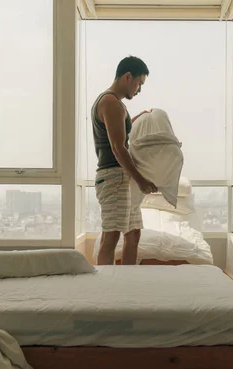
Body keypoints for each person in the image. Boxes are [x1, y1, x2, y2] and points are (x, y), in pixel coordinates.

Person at [92, 56, 157, 265]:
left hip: (119, 177)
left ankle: (127, 282)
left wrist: (139, 117)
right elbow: (118, 148)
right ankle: (106, 290)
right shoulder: (110, 102)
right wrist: (140, 180)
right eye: (139, 83)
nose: (139, 90)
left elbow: (120, 130)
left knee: (133, 234)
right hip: (113, 177)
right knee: (110, 237)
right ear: (128, 77)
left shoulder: (115, 104)